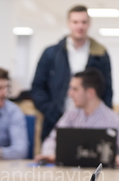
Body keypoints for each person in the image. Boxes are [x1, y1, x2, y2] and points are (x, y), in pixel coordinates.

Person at [31, 4, 113, 142]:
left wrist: (102, 118)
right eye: (75, 22)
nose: (79, 26)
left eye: (84, 22)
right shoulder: (51, 53)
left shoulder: (100, 55)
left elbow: (107, 90)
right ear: (69, 24)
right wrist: (50, 110)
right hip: (55, 122)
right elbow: (38, 87)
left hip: (90, 124)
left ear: (89, 24)